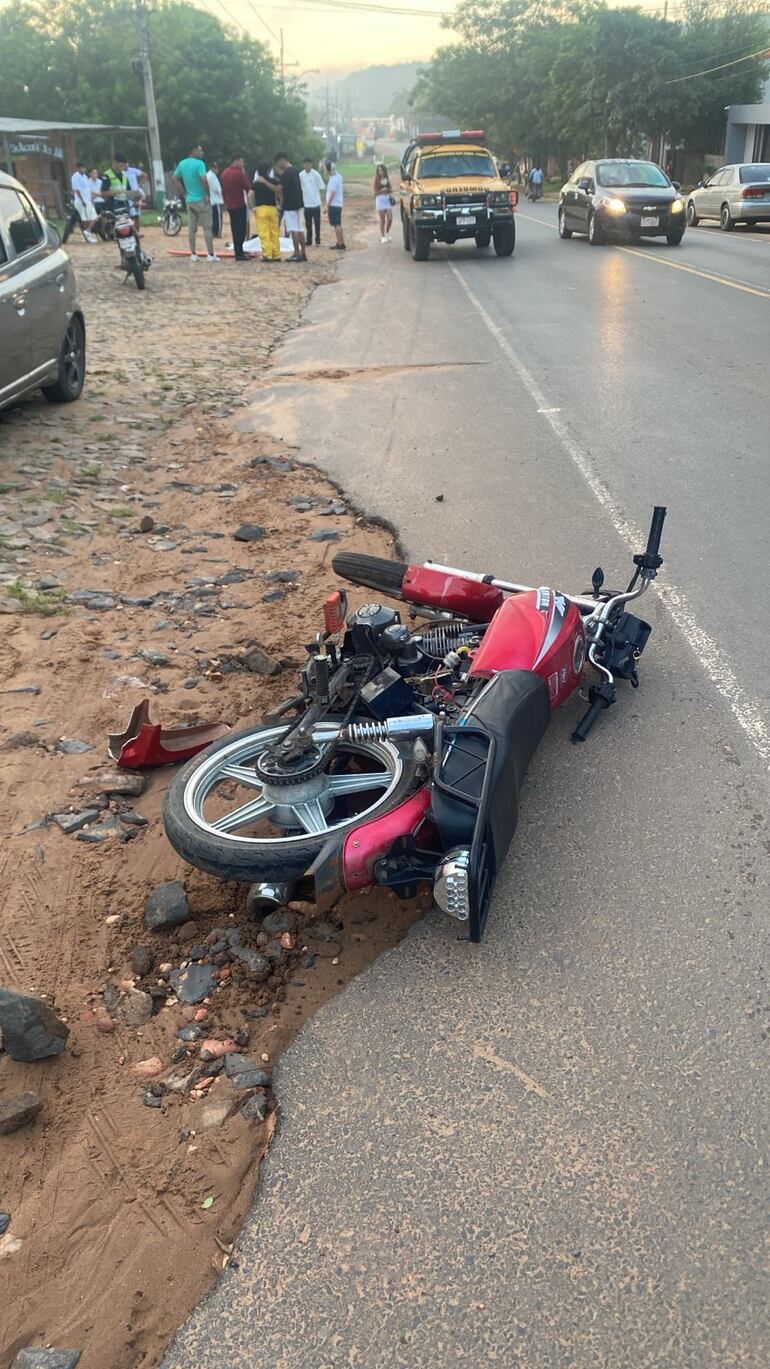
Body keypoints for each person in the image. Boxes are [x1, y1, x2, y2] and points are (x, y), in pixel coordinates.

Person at [173, 142, 218, 263]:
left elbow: (175, 178)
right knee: (207, 227)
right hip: (201, 200)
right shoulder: (199, 164)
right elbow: (204, 179)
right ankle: (210, 254)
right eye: (200, 150)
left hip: (190, 200)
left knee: (192, 228)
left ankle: (193, 253)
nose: (202, 152)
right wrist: (208, 194)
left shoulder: (182, 164)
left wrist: (184, 193)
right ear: (193, 151)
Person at [274, 152, 306, 262]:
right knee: (300, 229)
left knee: (293, 230)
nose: (278, 165)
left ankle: (296, 253)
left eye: (279, 162)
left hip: (290, 204)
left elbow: (279, 189)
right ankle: (303, 253)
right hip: (298, 203)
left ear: (283, 160)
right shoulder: (296, 170)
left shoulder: (287, 173)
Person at [220, 154, 251, 262]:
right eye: (241, 162)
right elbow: (247, 187)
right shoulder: (239, 174)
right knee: (241, 229)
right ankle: (239, 252)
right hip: (239, 203)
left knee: (234, 228)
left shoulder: (224, 173)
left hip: (229, 204)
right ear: (236, 161)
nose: (243, 164)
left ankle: (237, 251)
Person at [252, 160, 281, 262]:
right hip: (272, 208)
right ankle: (276, 254)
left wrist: (252, 207)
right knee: (274, 232)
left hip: (261, 209)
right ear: (269, 171)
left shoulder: (256, 183)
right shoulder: (274, 181)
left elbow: (249, 195)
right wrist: (279, 203)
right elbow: (278, 191)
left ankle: (267, 254)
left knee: (264, 233)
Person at [71, 161, 99, 242]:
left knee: (93, 217)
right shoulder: (75, 177)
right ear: (78, 168)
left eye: (84, 168)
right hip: (81, 201)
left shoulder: (85, 177)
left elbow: (88, 190)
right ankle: (87, 237)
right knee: (85, 219)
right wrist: (82, 200)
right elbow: (77, 190)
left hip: (88, 200)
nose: (84, 169)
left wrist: (93, 197)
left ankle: (88, 231)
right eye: (82, 168)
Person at [299, 157, 324, 246]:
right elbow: (300, 188)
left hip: (316, 203)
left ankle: (317, 239)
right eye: (305, 164)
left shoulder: (316, 174)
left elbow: (321, 186)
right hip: (306, 203)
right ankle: (309, 239)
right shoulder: (301, 175)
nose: (307, 166)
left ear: (311, 165)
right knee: (308, 224)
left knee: (317, 223)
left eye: (308, 164)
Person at [325, 161, 345, 250]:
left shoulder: (334, 179)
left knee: (336, 224)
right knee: (338, 224)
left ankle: (340, 244)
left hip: (334, 205)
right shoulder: (338, 176)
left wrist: (327, 205)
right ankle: (340, 242)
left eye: (325, 167)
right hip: (338, 204)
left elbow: (333, 193)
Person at [373, 161, 392, 243]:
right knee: (383, 220)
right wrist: (381, 191)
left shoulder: (387, 179)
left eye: (381, 170)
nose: (380, 172)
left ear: (384, 171)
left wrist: (389, 189)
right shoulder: (376, 180)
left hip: (387, 199)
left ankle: (387, 233)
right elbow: (375, 193)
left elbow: (390, 189)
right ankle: (383, 236)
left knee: (390, 219)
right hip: (380, 200)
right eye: (379, 170)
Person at [126, 162, 148, 233]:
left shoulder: (132, 170)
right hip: (126, 194)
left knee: (137, 215)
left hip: (135, 194)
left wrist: (139, 185)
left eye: (126, 163)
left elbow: (145, 175)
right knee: (130, 215)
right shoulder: (120, 173)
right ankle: (131, 231)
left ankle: (137, 232)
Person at [207, 161, 224, 237]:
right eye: (215, 168)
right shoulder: (212, 176)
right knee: (218, 218)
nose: (217, 169)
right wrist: (221, 192)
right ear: (212, 168)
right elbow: (216, 188)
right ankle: (218, 232)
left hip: (212, 199)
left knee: (213, 217)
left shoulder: (209, 175)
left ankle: (214, 232)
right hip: (216, 199)